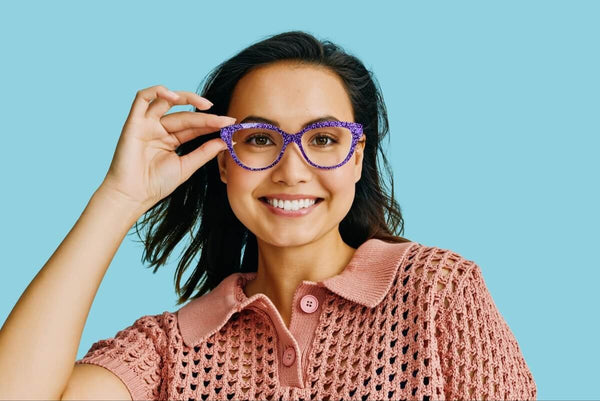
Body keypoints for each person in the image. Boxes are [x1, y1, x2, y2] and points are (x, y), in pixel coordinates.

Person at [0, 31, 536, 400]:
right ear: (222, 162)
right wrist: (118, 199)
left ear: (358, 158)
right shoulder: (168, 350)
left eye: (323, 139)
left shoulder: (439, 292)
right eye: (260, 139)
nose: (292, 169)